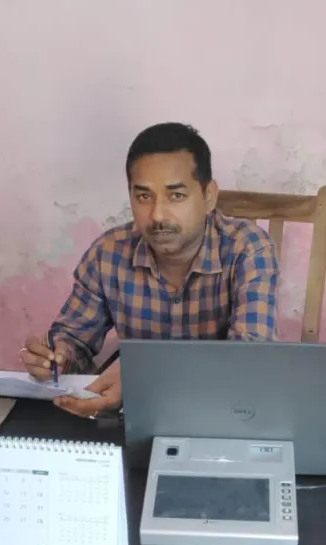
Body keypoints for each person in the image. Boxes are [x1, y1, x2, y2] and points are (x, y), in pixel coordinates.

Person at [20, 122, 280, 418]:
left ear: (209, 196)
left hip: (222, 415)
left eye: (176, 196)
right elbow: (73, 339)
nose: (157, 215)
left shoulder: (248, 249)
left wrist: (142, 377)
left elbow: (250, 359)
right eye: (144, 197)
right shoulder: (108, 254)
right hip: (135, 418)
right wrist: (56, 358)